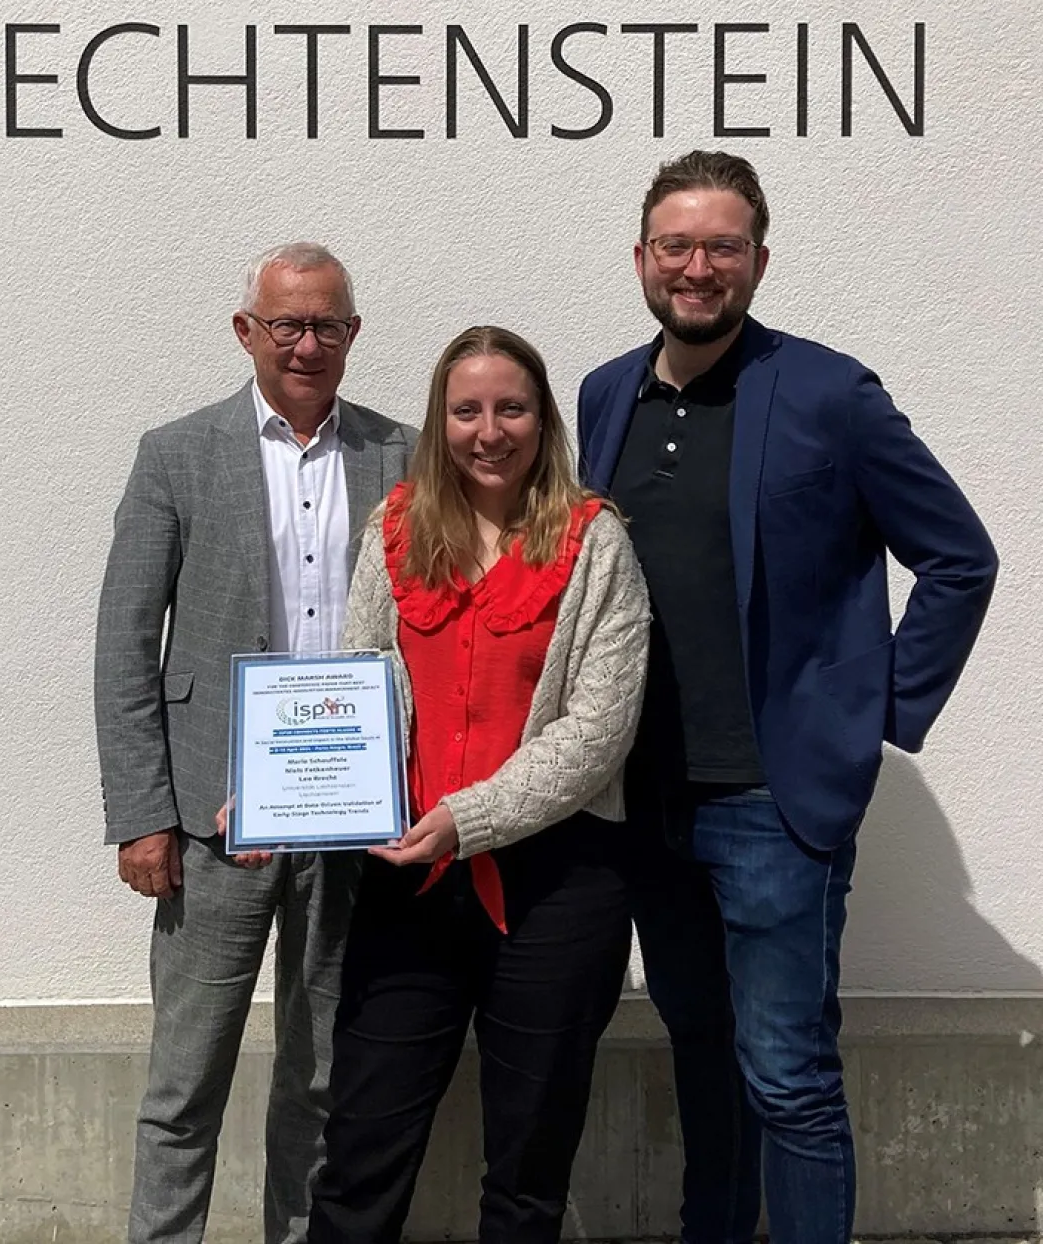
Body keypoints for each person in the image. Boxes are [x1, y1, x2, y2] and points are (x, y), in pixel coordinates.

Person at [576, 151, 999, 1244]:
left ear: (760, 260)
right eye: (677, 245)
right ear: (641, 258)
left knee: (788, 1077)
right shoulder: (604, 394)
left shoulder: (831, 393)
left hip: (771, 804)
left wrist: (882, 711)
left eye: (723, 246)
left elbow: (960, 558)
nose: (698, 267)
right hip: (647, 803)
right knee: (700, 1061)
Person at [94, 242, 416, 1244]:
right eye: (288, 324)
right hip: (208, 823)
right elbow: (125, 642)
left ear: (353, 336)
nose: (308, 344)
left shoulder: (402, 456)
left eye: (328, 325)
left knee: (321, 1081)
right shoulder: (177, 455)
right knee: (185, 1083)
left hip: (354, 822)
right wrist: (143, 815)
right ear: (249, 332)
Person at [306, 326, 651, 1244]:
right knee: (360, 1154)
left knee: (528, 1172)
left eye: (511, 408)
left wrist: (474, 817)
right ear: (439, 421)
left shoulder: (594, 541)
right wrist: (285, 789)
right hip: (406, 881)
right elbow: (357, 683)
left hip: (555, 889)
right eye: (467, 410)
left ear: (542, 422)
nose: (488, 430)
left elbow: (598, 731)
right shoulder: (396, 530)